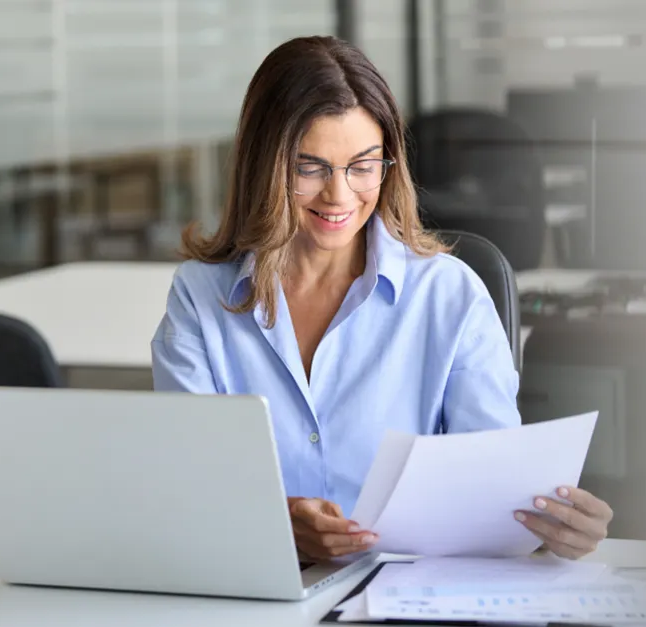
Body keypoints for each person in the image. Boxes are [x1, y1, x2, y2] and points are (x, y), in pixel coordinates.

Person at [151, 36, 612, 562]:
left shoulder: (449, 297)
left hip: (408, 595)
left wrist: (552, 525)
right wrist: (275, 520)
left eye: (363, 165)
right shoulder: (199, 298)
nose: (340, 196)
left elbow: (495, 494)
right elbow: (188, 488)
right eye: (310, 168)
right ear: (265, 165)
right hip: (257, 590)